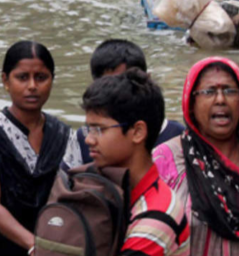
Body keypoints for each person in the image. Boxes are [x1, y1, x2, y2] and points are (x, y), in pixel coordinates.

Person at [0, 41, 82, 256]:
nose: (32, 86)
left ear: (52, 81)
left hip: (51, 244)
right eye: (22, 77)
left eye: (41, 78)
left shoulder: (64, 136)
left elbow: (73, 196)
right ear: (5, 80)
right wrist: (35, 246)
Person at [82, 69, 190, 256]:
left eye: (99, 129)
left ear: (138, 132)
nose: (89, 140)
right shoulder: (117, 191)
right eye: (89, 129)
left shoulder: (156, 219)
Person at [154, 58, 239, 255]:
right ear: (191, 103)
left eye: (230, 91)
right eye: (209, 92)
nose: (220, 100)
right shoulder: (165, 160)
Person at [74, 39, 185, 165]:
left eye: (124, 83)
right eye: (106, 84)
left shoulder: (178, 136)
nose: (114, 92)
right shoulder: (83, 137)